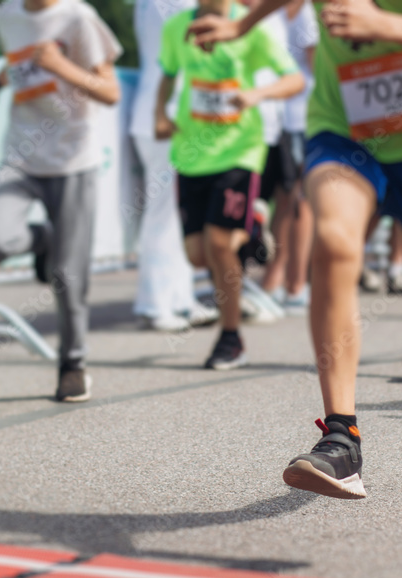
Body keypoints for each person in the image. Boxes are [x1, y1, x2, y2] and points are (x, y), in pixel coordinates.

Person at [189, 0, 402, 499]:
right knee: (334, 242)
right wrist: (241, 23)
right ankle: (342, 437)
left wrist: (381, 24)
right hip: (344, 129)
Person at [0, 0, 122, 402]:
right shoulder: (6, 16)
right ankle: (41, 239)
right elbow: (16, 64)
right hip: (20, 157)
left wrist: (62, 67)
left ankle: (72, 365)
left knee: (68, 277)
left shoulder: (79, 17)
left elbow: (110, 91)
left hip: (73, 161)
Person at [155, 0, 303, 370]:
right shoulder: (177, 28)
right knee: (198, 254)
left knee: (219, 243)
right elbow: (169, 73)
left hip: (239, 151)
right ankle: (251, 227)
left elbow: (295, 78)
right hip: (191, 152)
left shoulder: (251, 26)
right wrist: (159, 113)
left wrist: (257, 95)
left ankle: (231, 336)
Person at [131, 0, 220, 332]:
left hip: (173, 115)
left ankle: (180, 299)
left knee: (178, 214)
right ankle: (154, 304)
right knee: (163, 214)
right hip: (165, 117)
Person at [253, 0, 318, 314]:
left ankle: (282, 283)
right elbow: (316, 65)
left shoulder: (289, 11)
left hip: (291, 116)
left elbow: (313, 66)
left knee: (290, 201)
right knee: (296, 202)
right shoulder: (292, 11)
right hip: (293, 116)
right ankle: (288, 285)